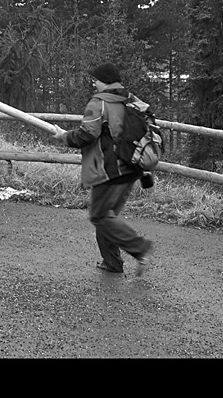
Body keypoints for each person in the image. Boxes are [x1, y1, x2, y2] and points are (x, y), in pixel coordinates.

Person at [50, 62, 155, 276]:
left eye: (96, 80)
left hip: (109, 169)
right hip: (132, 166)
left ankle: (140, 248)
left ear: (104, 81)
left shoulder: (99, 103)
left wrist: (64, 136)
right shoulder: (132, 100)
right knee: (108, 216)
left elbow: (87, 134)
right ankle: (112, 262)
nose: (94, 84)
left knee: (100, 216)